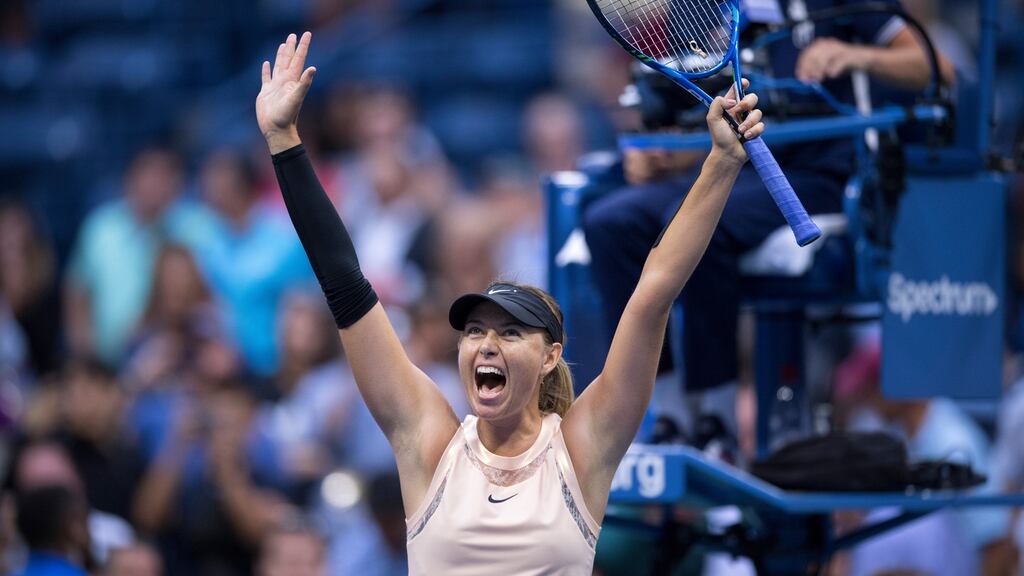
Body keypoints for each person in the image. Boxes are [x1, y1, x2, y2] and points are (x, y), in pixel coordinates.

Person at [256, 31, 765, 573]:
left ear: (550, 356)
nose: (485, 344)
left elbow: (654, 292)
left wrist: (721, 164)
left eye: (510, 331)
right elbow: (344, 284)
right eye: (474, 330)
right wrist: (283, 139)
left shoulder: (582, 446)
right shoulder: (426, 439)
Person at [582, 0, 957, 431]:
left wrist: (854, 55)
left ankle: (716, 422)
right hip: (750, 171)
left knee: (702, 223)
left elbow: (937, 70)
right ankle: (666, 415)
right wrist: (671, 159)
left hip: (829, 176)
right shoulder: (730, 11)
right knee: (612, 222)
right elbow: (727, 103)